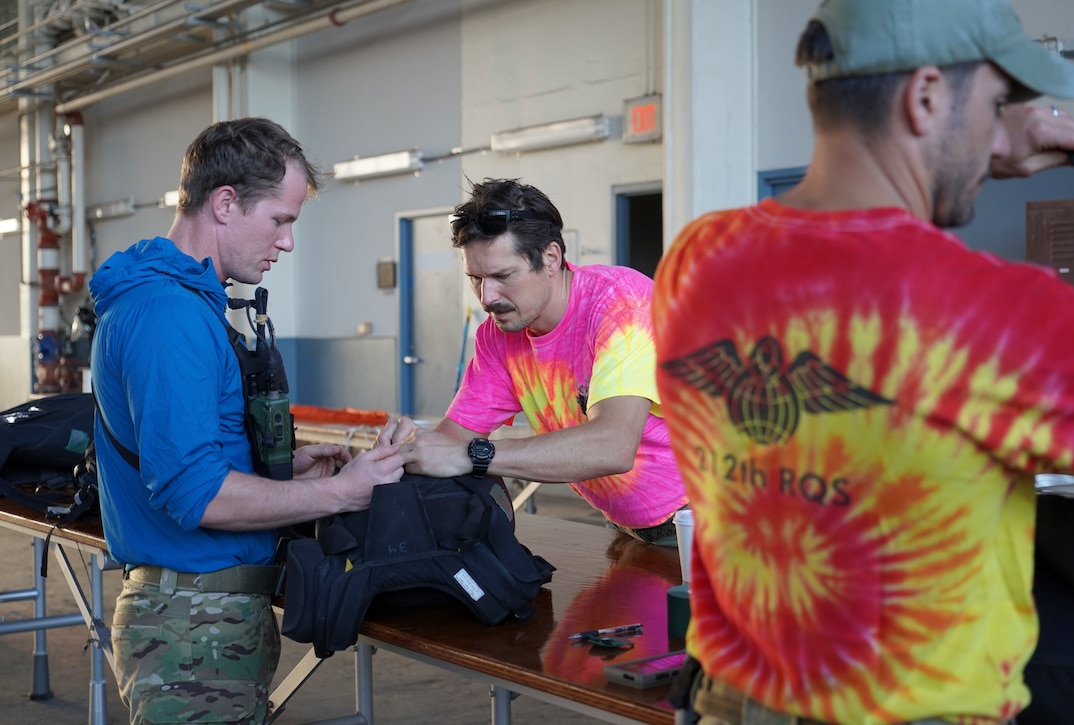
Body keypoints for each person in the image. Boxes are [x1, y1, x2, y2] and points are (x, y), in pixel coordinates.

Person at [651, 0, 1074, 723]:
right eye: (996, 103)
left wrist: (963, 137)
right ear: (924, 98)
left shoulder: (697, 260)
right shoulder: (1004, 315)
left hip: (728, 700)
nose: (999, 128)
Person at [89, 117, 405, 725]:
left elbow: (198, 454)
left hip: (206, 618)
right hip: (192, 629)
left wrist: (287, 469)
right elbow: (194, 492)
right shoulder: (168, 316)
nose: (287, 242)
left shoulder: (183, 302)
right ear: (226, 203)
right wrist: (340, 492)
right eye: (280, 221)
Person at [377, 178, 687, 544]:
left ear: (552, 258)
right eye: (475, 279)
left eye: (503, 276)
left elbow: (612, 446)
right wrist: (405, 455)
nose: (487, 297)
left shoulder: (622, 306)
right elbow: (455, 438)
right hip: (627, 522)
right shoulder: (499, 335)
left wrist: (474, 455)